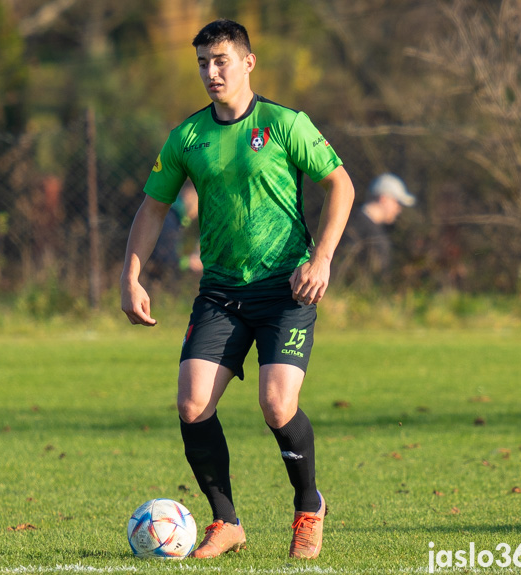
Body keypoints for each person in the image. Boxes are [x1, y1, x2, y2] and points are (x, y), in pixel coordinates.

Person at [120, 20, 354, 560]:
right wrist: (130, 275)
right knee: (192, 402)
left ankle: (308, 506)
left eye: (221, 60)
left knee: (277, 406)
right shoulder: (188, 137)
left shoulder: (285, 124)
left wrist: (321, 259)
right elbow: (153, 206)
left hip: (287, 289)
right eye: (203, 62)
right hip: (221, 292)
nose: (211, 71)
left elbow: (340, 184)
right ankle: (227, 522)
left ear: (248, 62)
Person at [336, 173, 415, 281]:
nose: (399, 209)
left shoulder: (348, 220)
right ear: (383, 198)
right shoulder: (362, 229)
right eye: (397, 202)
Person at [145, 180, 201, 287]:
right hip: (152, 282)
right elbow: (167, 258)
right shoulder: (170, 217)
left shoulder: (171, 214)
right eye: (199, 202)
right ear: (188, 195)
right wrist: (189, 262)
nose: (199, 210)